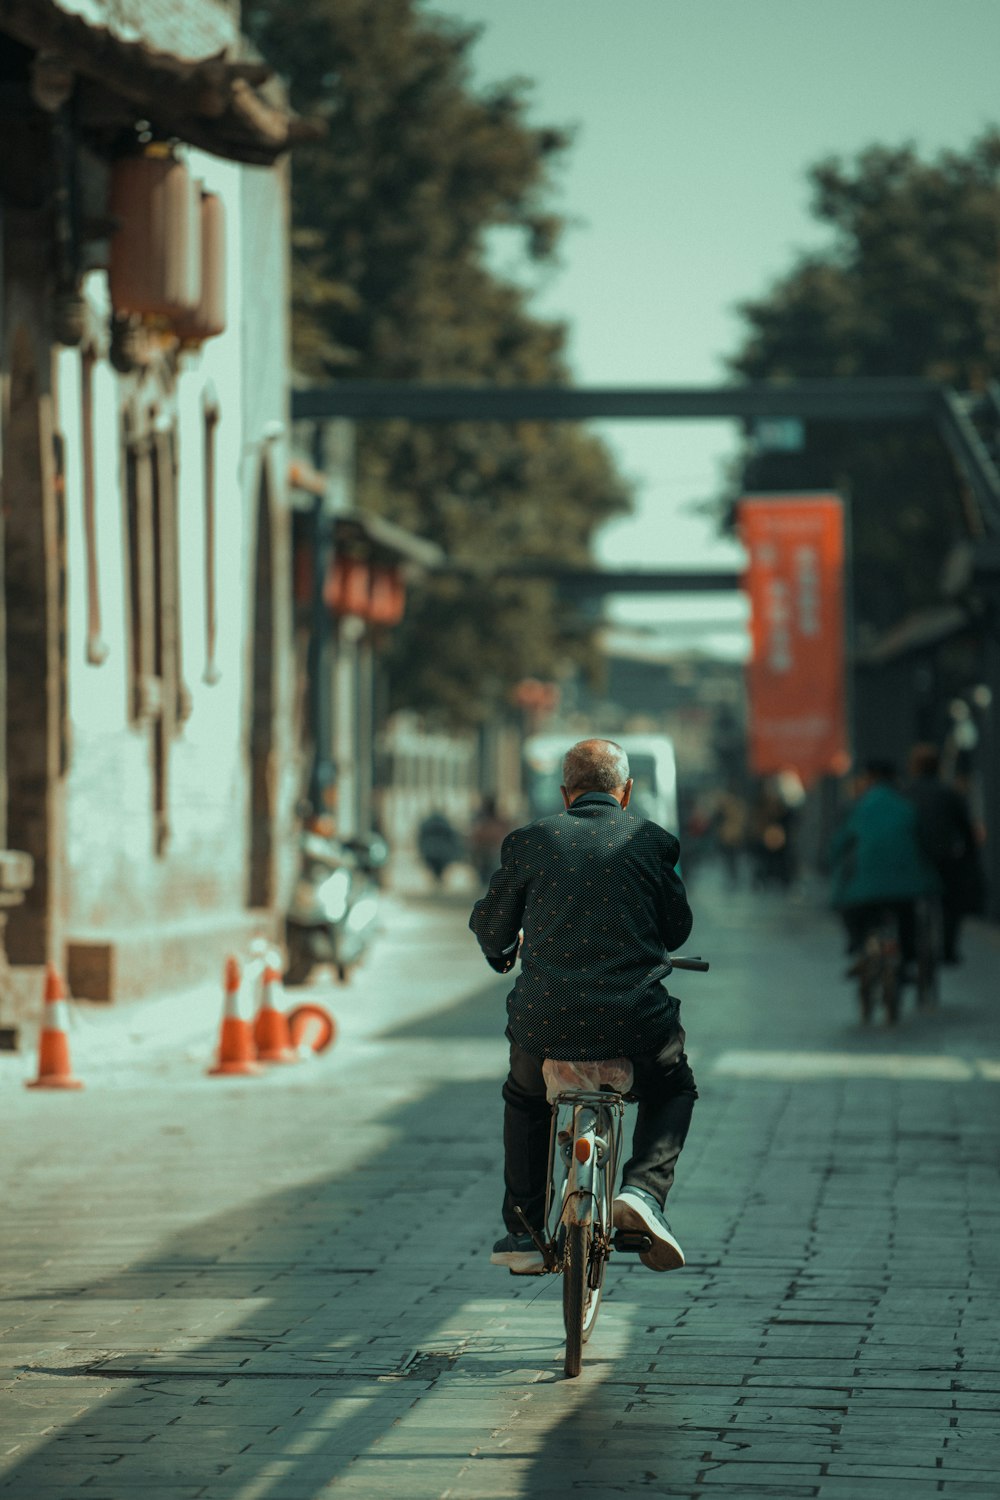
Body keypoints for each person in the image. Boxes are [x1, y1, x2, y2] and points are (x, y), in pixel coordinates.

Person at [469, 738, 697, 1276]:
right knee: (674, 1087)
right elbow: (678, 927)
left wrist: (502, 953)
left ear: (565, 791)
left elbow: (492, 923)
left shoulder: (531, 841)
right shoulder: (649, 841)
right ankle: (642, 1191)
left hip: (544, 1023)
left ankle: (523, 1232)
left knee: (525, 1100)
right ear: (627, 791)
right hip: (635, 1024)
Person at [828, 759, 940, 970]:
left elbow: (840, 845)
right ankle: (906, 959)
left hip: (863, 889)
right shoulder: (907, 806)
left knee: (852, 910)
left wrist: (832, 863)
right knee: (906, 916)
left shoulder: (858, 807)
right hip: (907, 886)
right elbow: (925, 842)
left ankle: (859, 946)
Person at [906, 744, 986, 964]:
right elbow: (966, 831)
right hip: (945, 859)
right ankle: (948, 949)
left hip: (913, 860)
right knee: (952, 901)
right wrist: (970, 858)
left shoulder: (905, 793)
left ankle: (910, 948)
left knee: (907, 903)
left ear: (913, 767)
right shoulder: (949, 794)